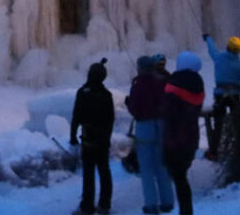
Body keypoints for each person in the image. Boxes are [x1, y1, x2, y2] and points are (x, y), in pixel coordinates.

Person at [126, 55, 175, 215]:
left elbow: (134, 109)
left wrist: (129, 103)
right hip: (162, 125)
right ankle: (168, 201)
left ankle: (151, 204)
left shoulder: (138, 85)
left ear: (141, 68)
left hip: (145, 126)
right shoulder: (162, 82)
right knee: (162, 165)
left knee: (146, 168)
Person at [162, 50, 205, 215]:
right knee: (181, 178)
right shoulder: (198, 86)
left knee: (178, 178)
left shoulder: (173, 87)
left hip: (174, 140)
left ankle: (185, 212)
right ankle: (186, 211)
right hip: (191, 138)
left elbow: (167, 113)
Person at [70, 58, 114, 215]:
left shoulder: (83, 93)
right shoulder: (106, 94)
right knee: (104, 171)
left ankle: (87, 206)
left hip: (88, 139)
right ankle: (105, 205)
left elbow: (76, 116)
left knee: (88, 173)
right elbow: (111, 119)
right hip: (102, 140)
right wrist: (107, 137)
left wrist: (73, 136)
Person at [203, 33, 240, 160]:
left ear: (228, 47)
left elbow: (212, 49)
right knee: (238, 123)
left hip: (220, 96)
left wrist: (208, 38)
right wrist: (237, 87)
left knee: (219, 124)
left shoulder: (219, 58)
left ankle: (213, 152)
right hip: (235, 97)